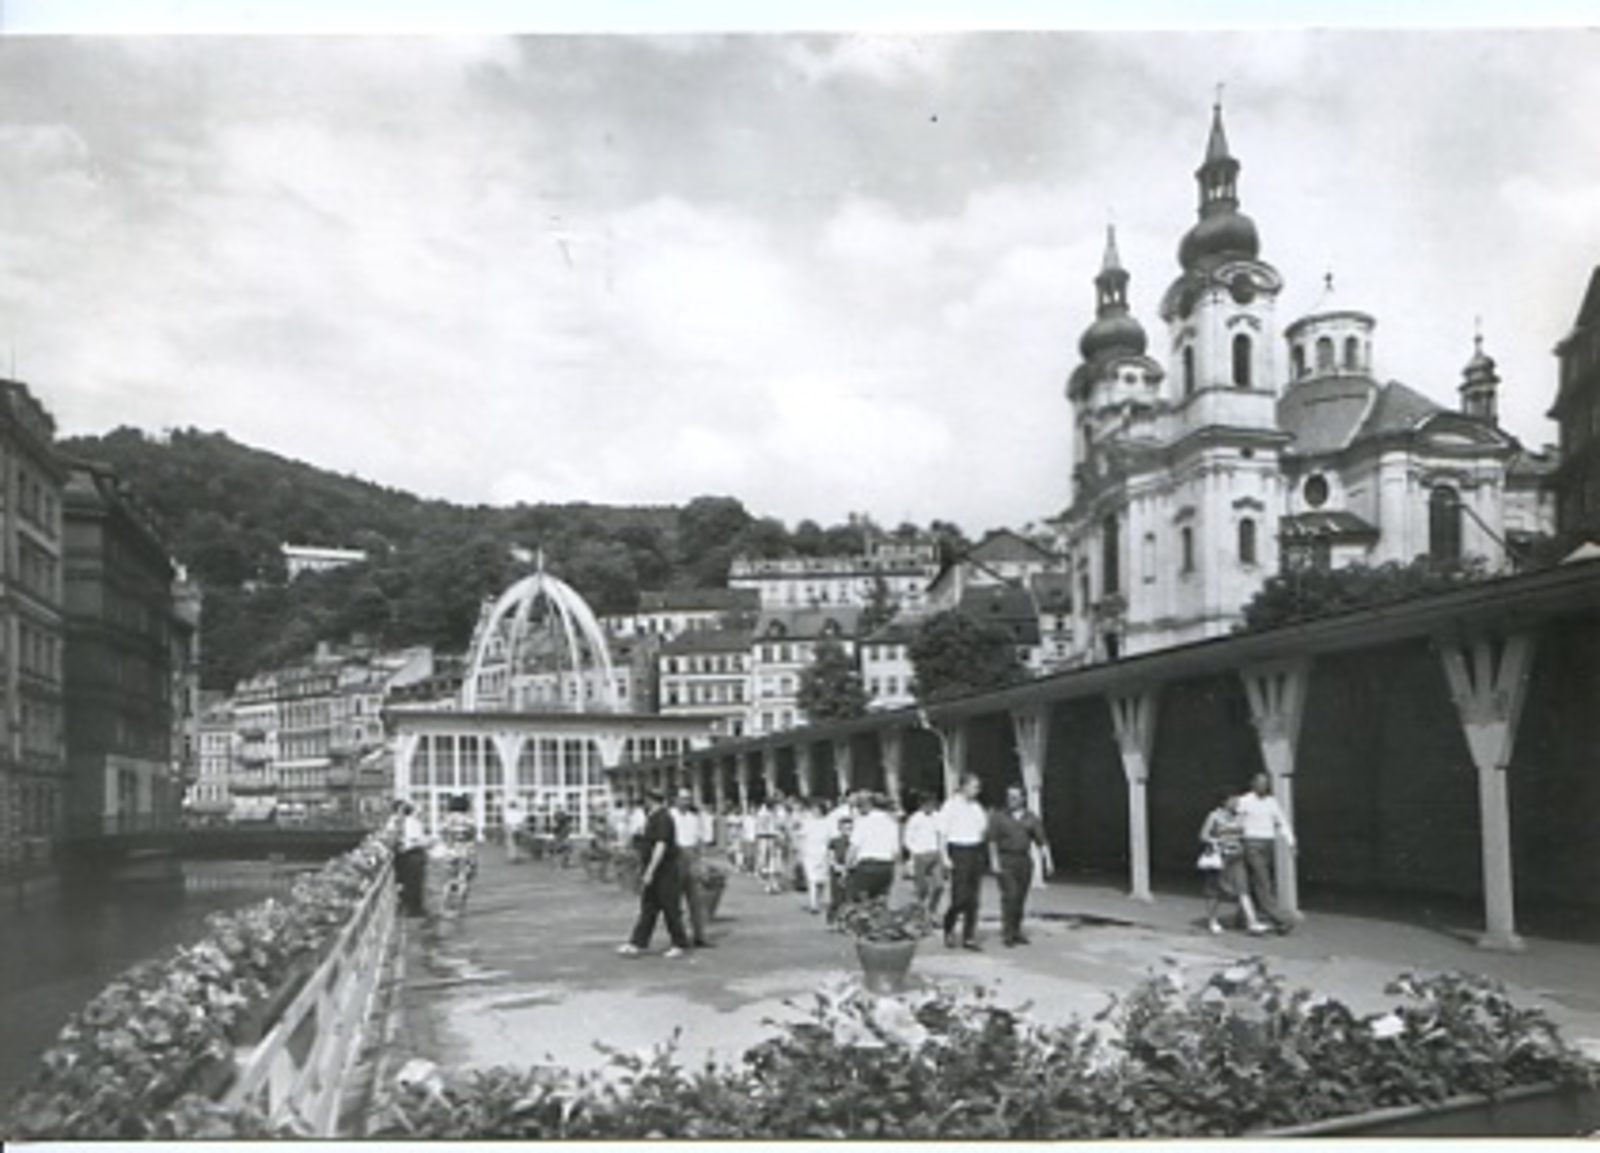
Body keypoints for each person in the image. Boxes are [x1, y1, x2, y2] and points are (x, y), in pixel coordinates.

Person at [618, 789, 691, 958]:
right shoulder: (652, 817)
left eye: (646, 799)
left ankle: (679, 943)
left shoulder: (663, 818)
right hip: (655, 869)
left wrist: (651, 870)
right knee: (648, 907)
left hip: (665, 870)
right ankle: (637, 942)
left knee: (670, 907)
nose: (644, 802)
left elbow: (661, 845)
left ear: (651, 800)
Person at [987, 786, 1053, 947]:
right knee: (1010, 895)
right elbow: (992, 841)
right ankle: (1008, 933)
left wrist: (1048, 860)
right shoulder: (999, 817)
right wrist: (994, 861)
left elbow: (1041, 840)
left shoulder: (1031, 818)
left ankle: (1016, 930)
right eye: (1009, 797)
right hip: (1005, 859)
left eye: (1015, 797)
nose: (1011, 800)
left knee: (1020, 898)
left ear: (1023, 799)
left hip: (1023, 860)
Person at [1235, 772, 1297, 934]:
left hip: (1268, 844)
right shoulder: (1245, 801)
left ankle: (1242, 916)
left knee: (1254, 880)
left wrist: (1290, 841)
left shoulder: (1271, 802)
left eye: (1266, 783)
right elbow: (1238, 822)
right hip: (1251, 843)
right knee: (1263, 881)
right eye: (1260, 783)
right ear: (1253, 784)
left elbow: (1281, 821)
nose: (1264, 786)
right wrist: (1236, 839)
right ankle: (1281, 919)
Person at [1198, 793, 1267, 935]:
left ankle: (1252, 923)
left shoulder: (1240, 816)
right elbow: (1203, 835)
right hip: (1220, 858)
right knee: (1216, 891)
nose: (1236, 803)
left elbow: (1245, 833)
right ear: (1224, 801)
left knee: (1243, 889)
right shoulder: (1214, 816)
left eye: (1237, 800)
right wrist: (1217, 841)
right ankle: (1212, 920)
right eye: (1233, 800)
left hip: (1236, 856)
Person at [939, 774, 990, 950]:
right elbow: (942, 833)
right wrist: (945, 857)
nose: (977, 790)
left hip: (975, 850)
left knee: (973, 899)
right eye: (974, 786)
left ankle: (969, 936)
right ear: (963, 786)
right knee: (959, 897)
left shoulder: (977, 807)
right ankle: (949, 928)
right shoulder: (951, 806)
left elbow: (983, 829)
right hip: (958, 851)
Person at [672, 789, 714, 948]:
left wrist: (701, 861)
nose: (686, 802)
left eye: (688, 799)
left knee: (696, 899)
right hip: (676, 855)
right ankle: (679, 936)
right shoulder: (670, 816)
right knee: (675, 901)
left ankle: (700, 935)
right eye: (683, 799)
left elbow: (700, 840)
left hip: (692, 856)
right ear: (676, 800)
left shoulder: (694, 818)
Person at [846, 792, 901, 902]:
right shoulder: (892, 823)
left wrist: (847, 866)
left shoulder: (862, 822)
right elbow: (896, 851)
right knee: (881, 900)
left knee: (862, 900)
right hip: (886, 865)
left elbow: (854, 847)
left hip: (867, 865)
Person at [902, 792, 945, 915]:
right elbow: (907, 838)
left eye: (932, 804)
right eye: (927, 804)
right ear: (921, 805)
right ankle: (920, 912)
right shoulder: (915, 819)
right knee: (922, 888)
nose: (930, 807)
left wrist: (942, 851)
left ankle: (932, 910)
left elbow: (941, 835)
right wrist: (915, 851)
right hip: (920, 855)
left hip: (935, 853)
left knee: (939, 886)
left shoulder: (937, 817)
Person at [391, 799, 429, 917]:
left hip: (407, 854)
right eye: (419, 810)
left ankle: (411, 907)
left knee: (410, 883)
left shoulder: (403, 822)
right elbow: (415, 840)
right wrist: (426, 842)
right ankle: (415, 909)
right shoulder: (412, 822)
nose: (422, 812)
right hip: (413, 854)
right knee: (414, 883)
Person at [800, 797, 834, 914]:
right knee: (812, 879)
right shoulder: (808, 822)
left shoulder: (827, 822)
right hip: (810, 852)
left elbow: (830, 839)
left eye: (816, 809)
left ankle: (820, 901)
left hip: (821, 852)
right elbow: (802, 837)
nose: (814, 812)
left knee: (821, 879)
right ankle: (814, 902)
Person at [825, 812, 854, 926]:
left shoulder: (854, 842)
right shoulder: (834, 841)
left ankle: (845, 921)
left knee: (848, 897)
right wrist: (836, 866)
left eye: (850, 829)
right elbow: (830, 856)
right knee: (836, 898)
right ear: (840, 829)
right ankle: (832, 919)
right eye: (845, 829)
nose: (848, 832)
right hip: (837, 871)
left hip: (850, 871)